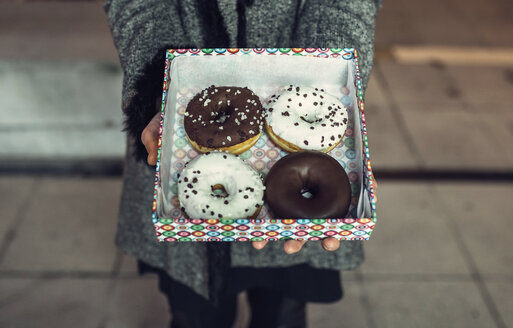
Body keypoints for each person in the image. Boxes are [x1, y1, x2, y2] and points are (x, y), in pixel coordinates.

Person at [104, 1, 382, 327]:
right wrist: (160, 86)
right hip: (183, 130)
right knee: (194, 314)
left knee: (283, 312)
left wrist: (319, 72)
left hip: (303, 169)